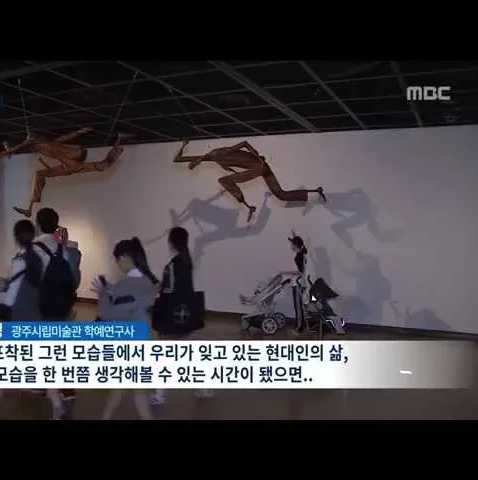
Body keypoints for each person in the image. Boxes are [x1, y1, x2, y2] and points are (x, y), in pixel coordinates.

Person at [0, 220, 66, 420]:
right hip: (35, 318)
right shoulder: (38, 260)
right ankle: (57, 407)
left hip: (17, 320)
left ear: (16, 237)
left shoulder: (19, 261)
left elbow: (9, 297)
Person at [174, 139, 326, 222]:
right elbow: (178, 159)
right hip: (262, 167)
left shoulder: (218, 153)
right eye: (195, 164)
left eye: (195, 164)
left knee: (223, 180)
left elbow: (244, 143)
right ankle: (315, 191)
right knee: (281, 194)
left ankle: (248, 206)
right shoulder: (211, 158)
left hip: (258, 167)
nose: (196, 164)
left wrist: (257, 156)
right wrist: (183, 145)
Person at [91, 237, 158, 420]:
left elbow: (109, 315)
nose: (118, 265)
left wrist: (103, 295)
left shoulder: (125, 284)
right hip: (144, 338)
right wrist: (111, 291)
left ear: (124, 258)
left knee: (122, 389)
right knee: (136, 392)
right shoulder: (148, 280)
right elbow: (131, 301)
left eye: (118, 260)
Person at [149, 227, 213, 405]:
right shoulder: (187, 260)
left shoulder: (173, 264)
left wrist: (156, 294)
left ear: (171, 242)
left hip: (172, 316)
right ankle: (203, 387)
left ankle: (159, 395)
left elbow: (168, 291)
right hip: (187, 315)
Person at [13, 132, 129, 218]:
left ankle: (29, 208)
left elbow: (64, 139)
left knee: (40, 173)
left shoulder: (48, 146)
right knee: (39, 174)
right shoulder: (47, 147)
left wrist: (79, 132)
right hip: (69, 165)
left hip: (70, 165)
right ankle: (29, 208)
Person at [32, 208, 79, 407]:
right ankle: (67, 388)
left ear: (38, 224)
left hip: (42, 303)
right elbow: (74, 277)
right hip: (63, 302)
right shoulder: (66, 247)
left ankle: (44, 385)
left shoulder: (33, 247)